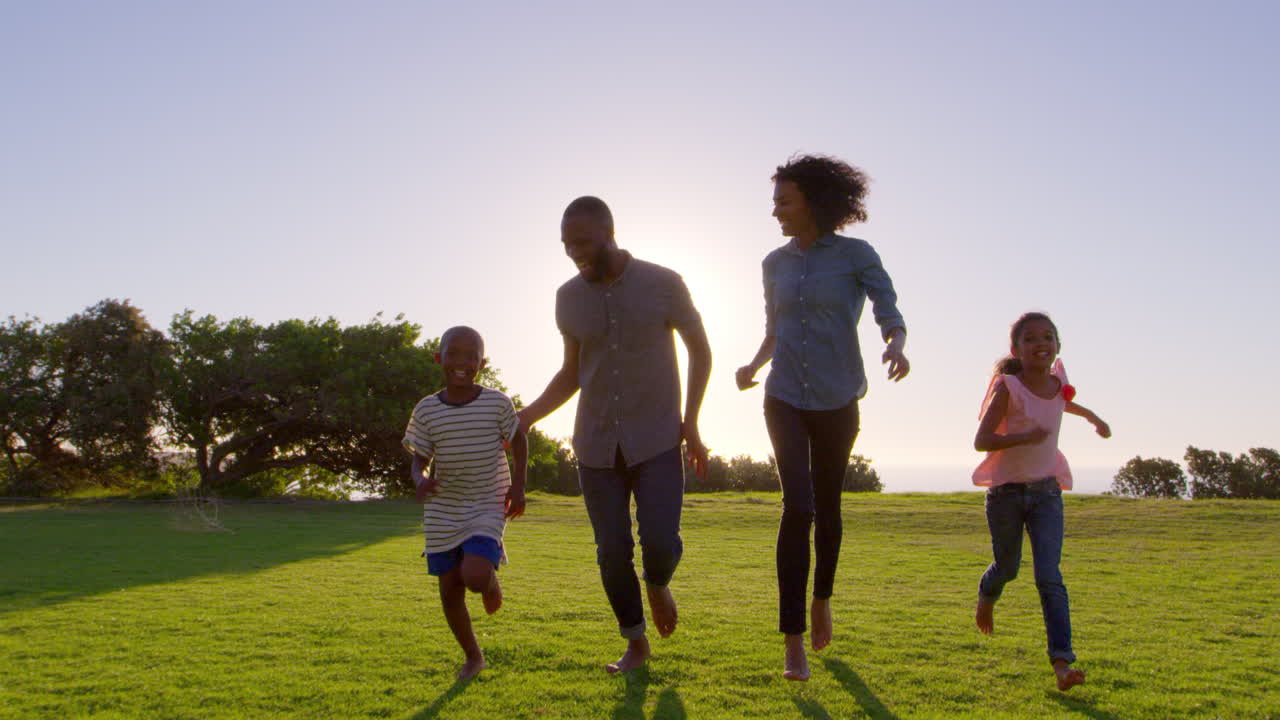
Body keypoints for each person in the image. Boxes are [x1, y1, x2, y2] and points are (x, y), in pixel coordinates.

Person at [518, 196, 712, 674]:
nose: (574, 252)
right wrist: (525, 418)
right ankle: (635, 643)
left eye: (582, 241)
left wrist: (692, 422)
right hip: (595, 445)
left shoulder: (664, 283)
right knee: (611, 552)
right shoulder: (567, 297)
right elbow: (571, 373)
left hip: (659, 438)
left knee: (661, 543)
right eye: (566, 244)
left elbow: (701, 353)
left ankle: (658, 580)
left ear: (609, 232)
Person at [736, 154, 909, 681]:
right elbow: (775, 328)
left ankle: (822, 599)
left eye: (783, 202)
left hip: (838, 398)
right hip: (783, 395)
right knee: (798, 507)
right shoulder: (774, 263)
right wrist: (752, 364)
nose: (775, 213)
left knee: (829, 509)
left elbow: (888, 311)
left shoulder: (857, 255)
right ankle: (793, 642)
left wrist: (896, 344)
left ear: (811, 201)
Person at [971, 311, 1110, 691]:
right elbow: (981, 441)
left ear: (1057, 346)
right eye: (1030, 338)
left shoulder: (1056, 382)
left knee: (1049, 577)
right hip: (1006, 495)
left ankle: (1063, 664)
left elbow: (1061, 404)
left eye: (1048, 337)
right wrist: (1025, 436)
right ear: (1016, 349)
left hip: (1047, 493)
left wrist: (1093, 418)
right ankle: (987, 592)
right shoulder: (1008, 387)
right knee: (1008, 566)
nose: (1040, 343)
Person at [403, 325, 527, 681]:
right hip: (444, 505)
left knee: (473, 575)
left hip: (488, 499)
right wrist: (419, 479)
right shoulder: (427, 410)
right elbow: (419, 456)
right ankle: (473, 656)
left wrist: (518, 487)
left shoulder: (497, 402)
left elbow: (519, 441)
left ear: (482, 363)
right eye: (453, 354)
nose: (462, 362)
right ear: (438, 359)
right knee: (449, 589)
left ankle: (488, 580)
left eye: (470, 356)